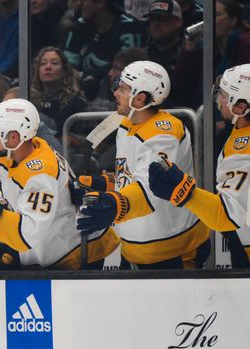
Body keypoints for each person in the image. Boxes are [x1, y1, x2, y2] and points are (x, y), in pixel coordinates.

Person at [0, 98, 119, 269]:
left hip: (75, 256)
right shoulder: (24, 150)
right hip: (51, 248)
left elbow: (28, 233)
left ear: (13, 136)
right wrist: (10, 244)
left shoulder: (40, 173)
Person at [77, 60, 210, 269]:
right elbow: (132, 177)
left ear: (139, 98)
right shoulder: (126, 124)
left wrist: (115, 204)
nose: (115, 93)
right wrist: (107, 184)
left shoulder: (164, 134)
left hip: (172, 249)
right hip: (134, 249)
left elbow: (151, 189)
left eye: (122, 89)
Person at [147, 64, 250, 266]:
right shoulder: (239, 132)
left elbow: (226, 215)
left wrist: (185, 193)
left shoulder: (244, 146)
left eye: (224, 94)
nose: (218, 99)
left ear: (240, 106)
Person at [63, 0, 147, 99]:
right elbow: (67, 64)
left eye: (84, 0)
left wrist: (95, 75)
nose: (79, 3)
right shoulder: (79, 26)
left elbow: (129, 66)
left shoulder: (128, 26)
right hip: (80, 89)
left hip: (118, 94)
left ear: (100, 2)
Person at [30, 46, 88, 139]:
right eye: (43, 63)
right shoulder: (29, 99)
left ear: (64, 70)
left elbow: (82, 138)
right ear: (37, 70)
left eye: (54, 63)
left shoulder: (76, 101)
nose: (48, 67)